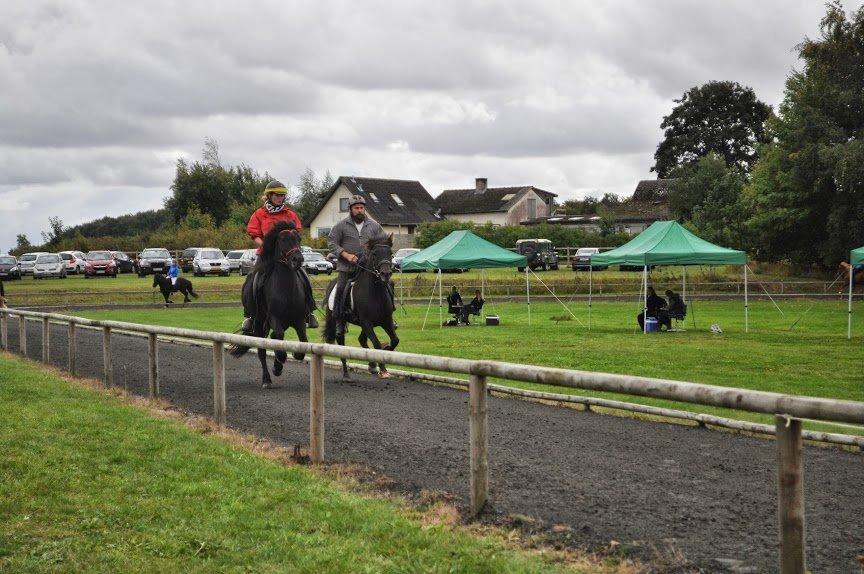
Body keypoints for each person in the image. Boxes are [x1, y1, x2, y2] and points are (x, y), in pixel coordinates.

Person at [241, 180, 318, 334]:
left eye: (282, 195)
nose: (280, 198)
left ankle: (309, 312)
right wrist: (264, 246)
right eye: (277, 195)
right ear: (269, 196)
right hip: (266, 256)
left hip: (287, 257)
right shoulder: (259, 214)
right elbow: (254, 234)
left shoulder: (290, 214)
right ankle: (250, 316)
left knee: (304, 276)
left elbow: (296, 233)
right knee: (253, 280)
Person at [328, 194, 386, 336]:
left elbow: (383, 241)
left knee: (386, 284)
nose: (359, 210)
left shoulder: (374, 225)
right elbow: (331, 243)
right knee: (340, 288)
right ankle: (339, 321)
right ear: (350, 209)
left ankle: (388, 315)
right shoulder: (340, 226)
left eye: (361, 208)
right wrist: (346, 255)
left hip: (368, 268)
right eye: (356, 208)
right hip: (346, 267)